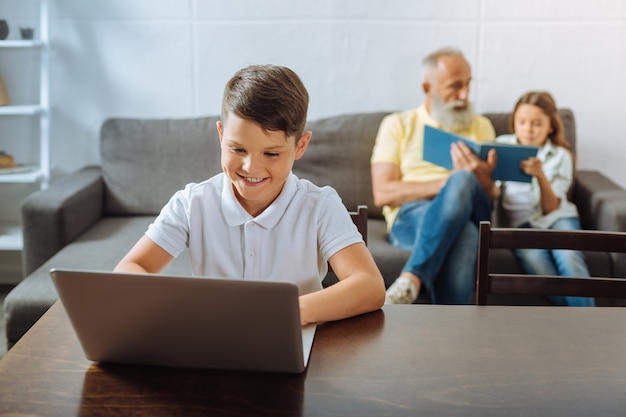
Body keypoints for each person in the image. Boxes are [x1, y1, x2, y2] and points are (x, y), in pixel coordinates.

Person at [114, 64, 386, 324]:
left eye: (271, 153)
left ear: (300, 146)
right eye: (237, 149)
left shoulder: (319, 205)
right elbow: (129, 270)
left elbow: (370, 285)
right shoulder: (192, 203)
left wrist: (283, 314)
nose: (250, 167)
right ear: (221, 135)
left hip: (294, 339)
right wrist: (182, 304)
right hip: (213, 344)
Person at [371, 47, 498, 305]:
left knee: (464, 181)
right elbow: (382, 192)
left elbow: (492, 196)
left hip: (474, 209)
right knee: (466, 234)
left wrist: (479, 179)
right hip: (412, 216)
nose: (464, 95)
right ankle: (454, 336)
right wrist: (447, 183)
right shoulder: (398, 124)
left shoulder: (481, 125)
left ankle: (411, 278)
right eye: (455, 86)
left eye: (468, 84)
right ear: (428, 88)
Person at [496, 91, 595, 307]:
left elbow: (552, 208)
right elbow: (493, 194)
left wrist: (540, 175)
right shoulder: (502, 146)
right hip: (520, 227)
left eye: (536, 124)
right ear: (514, 123)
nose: (528, 130)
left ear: (550, 126)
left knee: (568, 257)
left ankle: (587, 323)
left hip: (557, 219)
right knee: (536, 263)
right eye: (522, 122)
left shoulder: (561, 156)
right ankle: (579, 316)